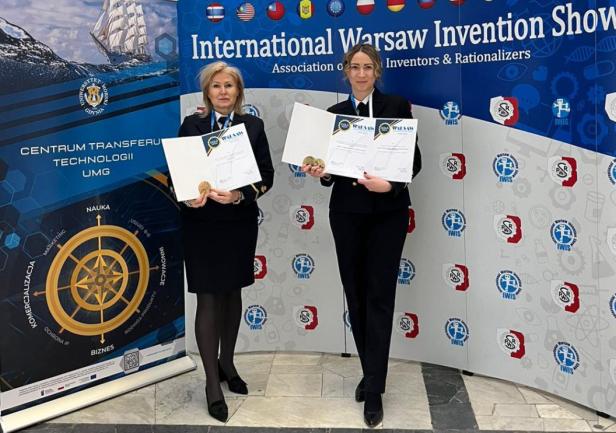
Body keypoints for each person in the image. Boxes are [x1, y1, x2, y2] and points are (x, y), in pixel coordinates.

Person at [303, 43, 421, 427]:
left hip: (388, 213)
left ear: (377, 71)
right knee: (355, 295)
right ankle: (372, 373)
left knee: (379, 297)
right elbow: (331, 172)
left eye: (368, 67)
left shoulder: (396, 106)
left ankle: (373, 391)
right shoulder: (333, 115)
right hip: (347, 215)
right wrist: (321, 173)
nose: (361, 73)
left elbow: (414, 160)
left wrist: (390, 186)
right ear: (346, 71)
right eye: (354, 66)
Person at [178, 61, 274, 422]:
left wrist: (239, 195)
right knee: (208, 298)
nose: (222, 92)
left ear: (238, 92)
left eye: (229, 86)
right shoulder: (191, 126)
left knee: (233, 293)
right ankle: (211, 384)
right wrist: (188, 197)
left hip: (237, 222)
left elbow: (266, 176)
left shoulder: (253, 127)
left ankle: (227, 364)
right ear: (207, 92)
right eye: (216, 86)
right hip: (200, 224)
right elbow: (177, 174)